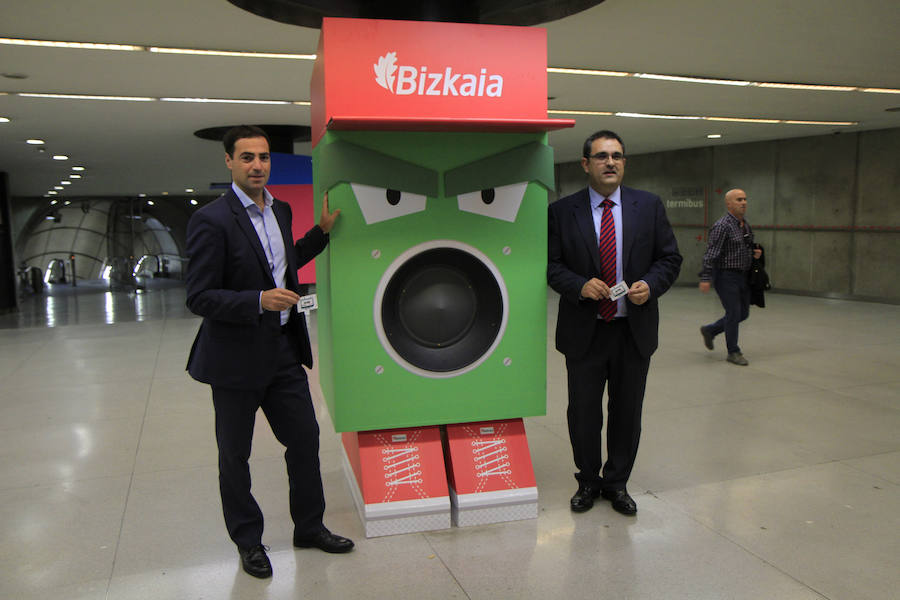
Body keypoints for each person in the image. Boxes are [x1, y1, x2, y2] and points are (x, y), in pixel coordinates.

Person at [185, 125, 352, 579]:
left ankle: (310, 527)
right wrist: (258, 300)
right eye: (246, 158)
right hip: (234, 358)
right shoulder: (211, 220)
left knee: (304, 439)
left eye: (263, 157)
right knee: (234, 454)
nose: (257, 165)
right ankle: (248, 541)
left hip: (282, 351)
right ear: (228, 162)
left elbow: (284, 264)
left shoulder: (279, 212)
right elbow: (199, 296)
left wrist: (320, 233)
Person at [548, 130, 682, 515]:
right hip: (584, 332)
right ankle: (588, 481)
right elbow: (551, 265)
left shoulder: (649, 206)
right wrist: (578, 285)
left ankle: (617, 483)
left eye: (618, 156)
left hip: (632, 331)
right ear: (586, 164)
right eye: (602, 156)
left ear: (624, 163)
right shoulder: (561, 211)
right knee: (584, 412)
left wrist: (651, 285)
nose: (611, 162)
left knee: (627, 412)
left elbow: (669, 259)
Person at [698, 188, 762, 366]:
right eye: (739, 200)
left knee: (743, 313)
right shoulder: (722, 225)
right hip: (726, 276)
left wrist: (755, 254)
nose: (743, 203)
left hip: (743, 276)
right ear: (729, 204)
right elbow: (711, 253)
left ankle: (710, 330)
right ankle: (733, 351)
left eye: (745, 199)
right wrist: (705, 278)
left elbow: (744, 246)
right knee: (733, 313)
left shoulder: (745, 224)